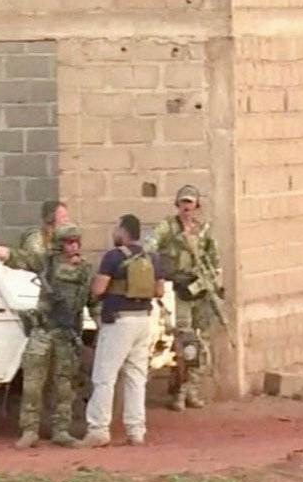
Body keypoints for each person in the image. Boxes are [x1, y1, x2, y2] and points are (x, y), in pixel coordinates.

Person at [76, 214, 165, 448]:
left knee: (105, 377)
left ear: (123, 231)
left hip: (118, 322)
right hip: (144, 320)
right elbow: (159, 291)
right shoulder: (153, 259)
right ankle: (136, 431)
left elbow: (98, 289)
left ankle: (98, 429)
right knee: (136, 377)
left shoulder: (113, 257)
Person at [11, 226, 93, 448]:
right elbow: (14, 257)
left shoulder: (85, 271)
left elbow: (93, 300)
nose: (74, 246)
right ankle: (29, 430)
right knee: (32, 383)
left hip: (67, 334)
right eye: (69, 242)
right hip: (43, 331)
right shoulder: (45, 263)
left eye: (76, 241)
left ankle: (61, 430)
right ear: (59, 244)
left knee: (65, 386)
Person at [153, 184, 222, 411]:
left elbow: (214, 261)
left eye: (190, 203)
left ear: (197, 206)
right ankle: (179, 393)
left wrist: (214, 285)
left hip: (199, 293)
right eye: (183, 202)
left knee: (201, 343)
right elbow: (151, 245)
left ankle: (192, 390)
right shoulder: (168, 228)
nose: (186, 207)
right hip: (178, 292)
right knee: (184, 341)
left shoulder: (203, 231)